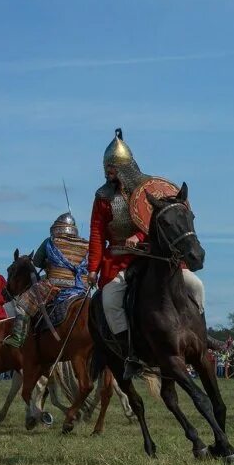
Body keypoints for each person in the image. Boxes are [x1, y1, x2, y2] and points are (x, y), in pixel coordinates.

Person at [88, 128, 205, 380]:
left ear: (125, 166)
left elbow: (160, 222)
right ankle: (128, 352)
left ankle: (201, 335)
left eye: (113, 166)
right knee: (109, 301)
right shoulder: (103, 197)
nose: (108, 171)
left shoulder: (150, 190)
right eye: (106, 166)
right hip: (118, 260)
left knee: (196, 286)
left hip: (153, 256)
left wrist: (139, 236)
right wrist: (91, 269)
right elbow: (97, 234)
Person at [4, 213, 90, 348]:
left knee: (22, 305)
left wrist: (49, 264)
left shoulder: (50, 241)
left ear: (57, 228)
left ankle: (18, 338)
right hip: (81, 287)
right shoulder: (86, 244)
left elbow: (37, 262)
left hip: (55, 285)